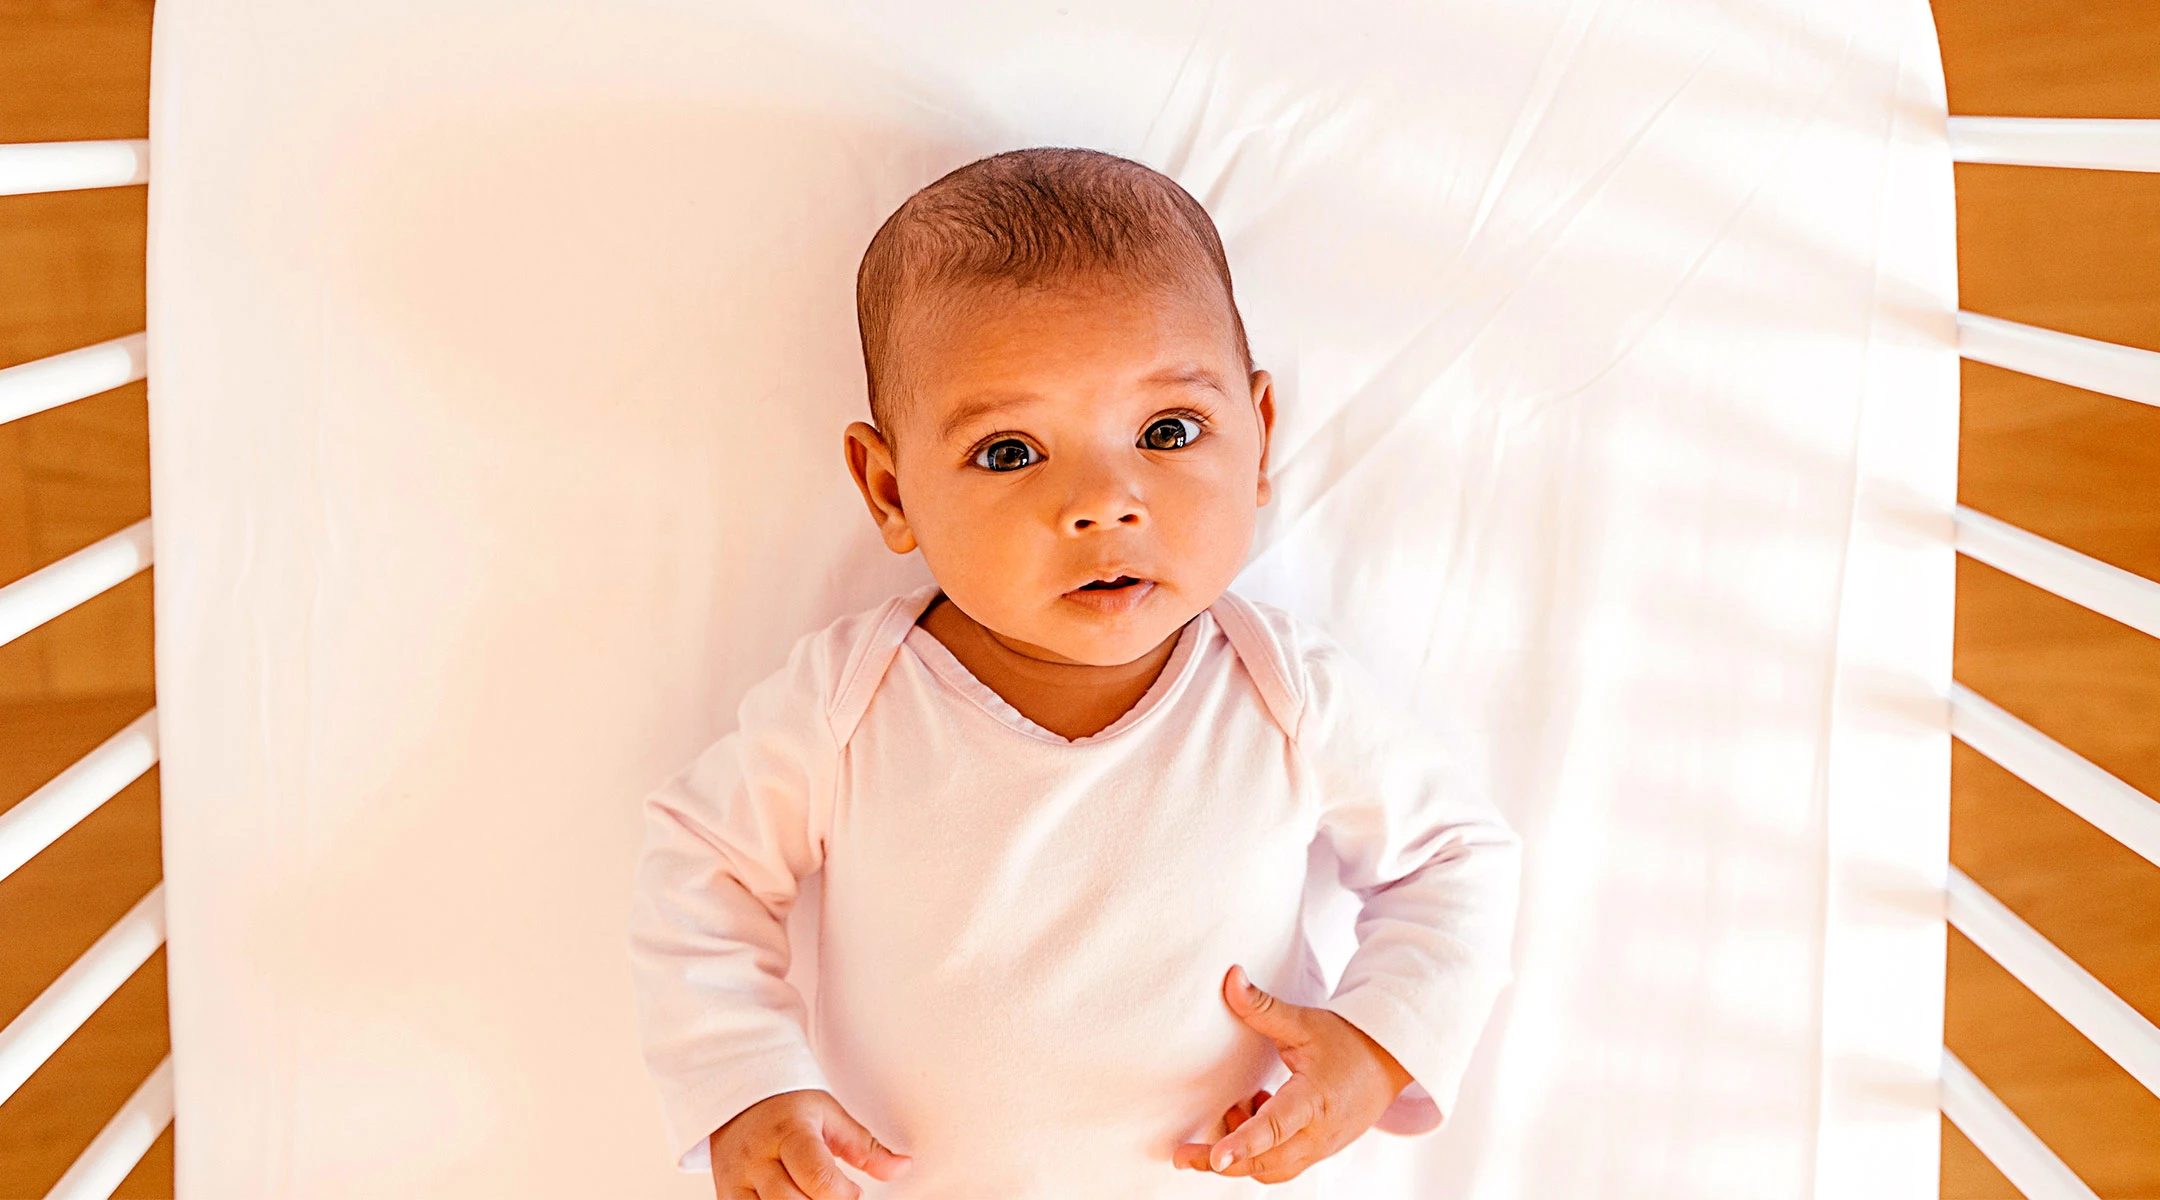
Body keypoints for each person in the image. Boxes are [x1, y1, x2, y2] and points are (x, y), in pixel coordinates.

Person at [627, 147, 1521, 1200]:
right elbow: (702, 867)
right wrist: (745, 1081)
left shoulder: (1282, 694)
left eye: (1167, 432)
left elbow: (1454, 859)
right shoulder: (852, 702)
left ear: (1260, 437)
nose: (1103, 502)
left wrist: (1378, 1043)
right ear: (890, 489)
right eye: (1010, 451)